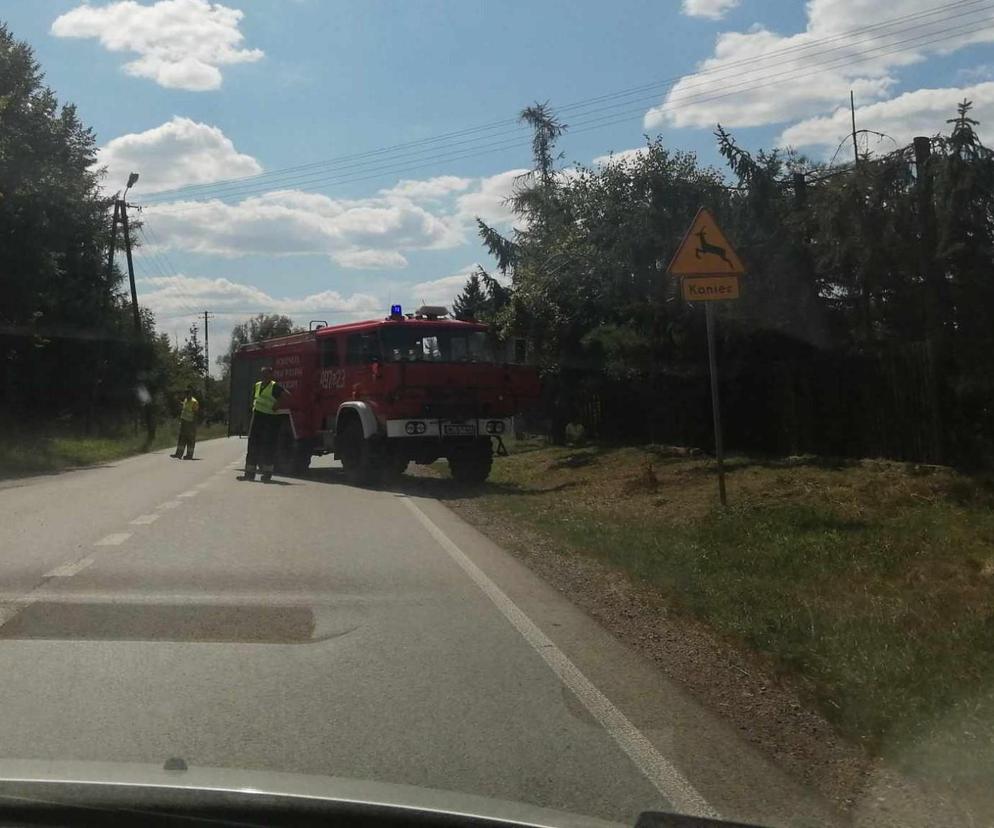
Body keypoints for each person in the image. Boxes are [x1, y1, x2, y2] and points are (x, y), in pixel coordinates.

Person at [239, 366, 288, 482]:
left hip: (269, 419)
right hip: (257, 417)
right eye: (263, 374)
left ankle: (267, 474)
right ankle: (249, 474)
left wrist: (277, 405)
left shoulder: (274, 386)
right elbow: (255, 399)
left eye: (267, 374)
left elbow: (286, 396)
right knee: (252, 445)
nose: (264, 376)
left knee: (268, 446)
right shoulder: (257, 385)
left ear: (271, 375)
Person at [172, 385, 199, 460]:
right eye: (186, 393)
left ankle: (189, 455)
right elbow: (185, 407)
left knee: (190, 440)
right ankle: (178, 454)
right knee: (182, 439)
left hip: (190, 423)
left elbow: (196, 414)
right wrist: (178, 402)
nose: (186, 395)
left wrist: (194, 425)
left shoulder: (194, 402)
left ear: (191, 394)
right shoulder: (186, 400)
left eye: (188, 393)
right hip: (184, 422)